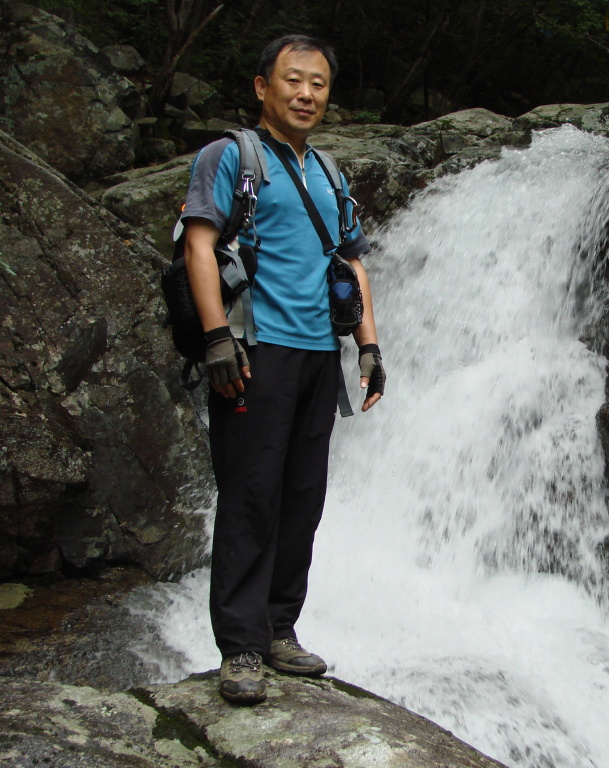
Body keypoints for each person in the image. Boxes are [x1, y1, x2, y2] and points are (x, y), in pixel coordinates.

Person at [181, 34, 384, 705]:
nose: (306, 94)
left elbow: (351, 261)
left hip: (318, 356)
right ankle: (238, 647)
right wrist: (215, 336)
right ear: (262, 86)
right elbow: (201, 243)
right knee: (250, 496)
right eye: (293, 80)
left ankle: (278, 629)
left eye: (319, 84)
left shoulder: (329, 171)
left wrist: (370, 346)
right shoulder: (231, 158)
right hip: (253, 352)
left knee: (302, 498)